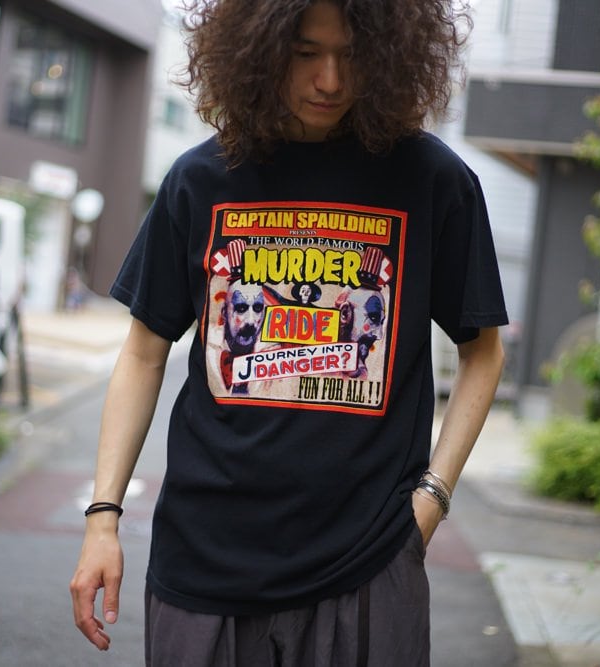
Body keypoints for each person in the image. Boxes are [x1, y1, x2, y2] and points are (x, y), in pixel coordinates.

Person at [70, 0, 508, 664]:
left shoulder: (432, 180)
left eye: (351, 55)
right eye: (305, 54)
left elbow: (483, 353)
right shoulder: (201, 179)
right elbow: (142, 353)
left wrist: (430, 503)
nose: (330, 80)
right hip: (204, 561)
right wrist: (103, 519)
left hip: (368, 565)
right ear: (260, 48)